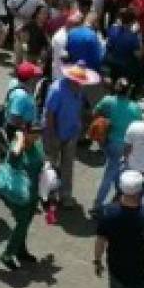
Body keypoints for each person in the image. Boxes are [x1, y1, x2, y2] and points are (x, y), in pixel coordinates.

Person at [91, 78, 144, 212]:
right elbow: (140, 125)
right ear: (128, 91)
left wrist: (106, 120)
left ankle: (100, 204)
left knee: (112, 171)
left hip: (108, 143)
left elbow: (95, 113)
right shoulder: (135, 107)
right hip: (127, 146)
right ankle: (106, 202)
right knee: (116, 171)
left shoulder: (108, 101)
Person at [43, 65, 91, 210]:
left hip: (72, 132)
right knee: (51, 165)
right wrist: (52, 135)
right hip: (55, 132)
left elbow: (79, 107)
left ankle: (65, 195)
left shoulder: (79, 89)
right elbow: (49, 114)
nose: (81, 83)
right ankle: (49, 195)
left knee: (68, 165)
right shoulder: (57, 90)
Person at [0, 123, 45, 270]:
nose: (36, 136)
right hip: (19, 194)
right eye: (33, 133)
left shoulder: (37, 145)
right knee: (22, 223)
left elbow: (41, 162)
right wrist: (19, 138)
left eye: (38, 133)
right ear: (25, 132)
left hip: (33, 193)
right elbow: (13, 158)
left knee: (26, 222)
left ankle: (21, 251)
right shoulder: (17, 146)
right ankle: (7, 255)